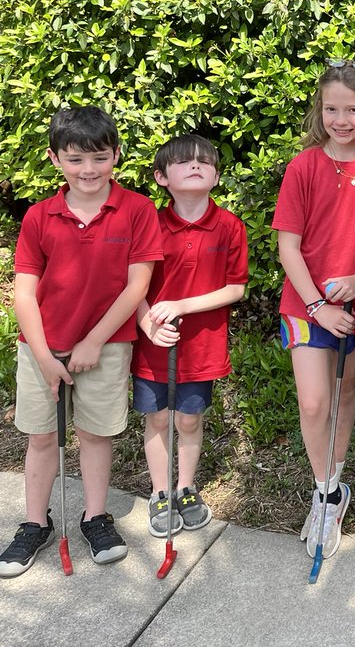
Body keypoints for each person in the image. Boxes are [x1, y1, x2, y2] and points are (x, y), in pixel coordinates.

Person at [1, 106, 163, 577]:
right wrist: (45, 355)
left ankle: (95, 516)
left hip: (106, 347)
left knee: (94, 434)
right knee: (43, 436)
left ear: (115, 154)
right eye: (75, 160)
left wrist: (94, 341)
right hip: (41, 348)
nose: (88, 170)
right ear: (55, 160)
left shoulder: (137, 210)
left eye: (98, 158)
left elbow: (137, 285)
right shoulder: (39, 216)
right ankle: (35, 523)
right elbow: (25, 295)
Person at [272, 60, 355, 559]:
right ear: (320, 111)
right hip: (306, 305)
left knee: (344, 393)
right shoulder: (304, 166)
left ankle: (334, 487)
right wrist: (318, 304)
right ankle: (325, 490)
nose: (341, 119)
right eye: (331, 108)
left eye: (352, 109)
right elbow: (287, 246)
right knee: (314, 402)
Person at [132, 134, 248, 537]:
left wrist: (181, 306)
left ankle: (185, 488)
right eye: (184, 161)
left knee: (189, 418)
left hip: (202, 345)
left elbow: (235, 289)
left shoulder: (230, 225)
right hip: (154, 342)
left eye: (205, 161)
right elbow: (133, 284)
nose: (196, 165)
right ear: (162, 177)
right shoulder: (148, 223)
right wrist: (147, 320)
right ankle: (160, 492)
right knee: (159, 417)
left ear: (216, 175)